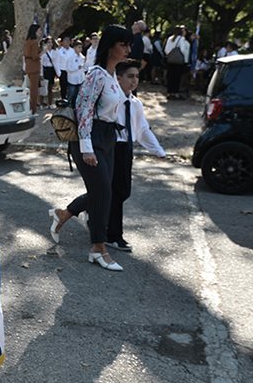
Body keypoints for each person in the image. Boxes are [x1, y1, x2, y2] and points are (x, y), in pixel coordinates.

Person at [47, 24, 132, 272]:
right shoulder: (95, 74)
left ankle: (64, 214)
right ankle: (98, 248)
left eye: (129, 45)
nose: (127, 49)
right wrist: (86, 147)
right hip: (90, 138)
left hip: (107, 138)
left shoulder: (111, 76)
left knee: (102, 191)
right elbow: (84, 110)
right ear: (110, 46)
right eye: (123, 44)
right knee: (103, 193)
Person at [106, 60, 167, 252]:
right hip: (111, 147)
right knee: (117, 191)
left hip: (126, 149)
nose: (134, 81)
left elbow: (142, 130)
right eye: (130, 76)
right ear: (119, 77)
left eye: (137, 77)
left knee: (121, 191)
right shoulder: (111, 99)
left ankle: (88, 214)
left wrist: (157, 149)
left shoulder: (135, 103)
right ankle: (113, 235)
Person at [164, 26, 190, 100]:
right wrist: (185, 59)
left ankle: (169, 92)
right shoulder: (181, 39)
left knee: (170, 77)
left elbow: (166, 50)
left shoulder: (170, 38)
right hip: (178, 61)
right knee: (177, 77)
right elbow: (183, 50)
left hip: (170, 60)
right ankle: (175, 93)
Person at [23, 24, 42, 114]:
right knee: (34, 90)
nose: (40, 32)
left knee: (32, 88)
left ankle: (32, 107)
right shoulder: (34, 42)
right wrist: (43, 52)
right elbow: (35, 56)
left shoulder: (28, 41)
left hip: (29, 66)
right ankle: (33, 109)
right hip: (34, 67)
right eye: (39, 31)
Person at [65, 40, 86, 106]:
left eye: (81, 47)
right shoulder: (70, 57)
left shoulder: (82, 57)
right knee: (71, 95)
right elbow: (68, 68)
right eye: (79, 47)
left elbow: (84, 67)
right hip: (72, 80)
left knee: (78, 96)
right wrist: (77, 67)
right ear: (74, 48)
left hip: (80, 79)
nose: (80, 49)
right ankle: (68, 108)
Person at [55, 35, 73, 101]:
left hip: (71, 71)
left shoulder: (72, 51)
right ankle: (63, 99)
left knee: (71, 86)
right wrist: (58, 72)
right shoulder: (59, 51)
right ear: (62, 42)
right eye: (65, 40)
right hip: (63, 71)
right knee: (63, 87)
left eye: (68, 40)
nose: (67, 42)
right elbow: (57, 62)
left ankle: (70, 99)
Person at [40, 37, 57, 108]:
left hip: (51, 70)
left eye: (51, 42)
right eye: (48, 42)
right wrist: (41, 74)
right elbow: (40, 63)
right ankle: (41, 103)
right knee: (43, 87)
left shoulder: (54, 52)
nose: (50, 44)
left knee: (50, 87)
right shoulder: (43, 52)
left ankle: (50, 103)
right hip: (45, 70)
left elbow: (56, 62)